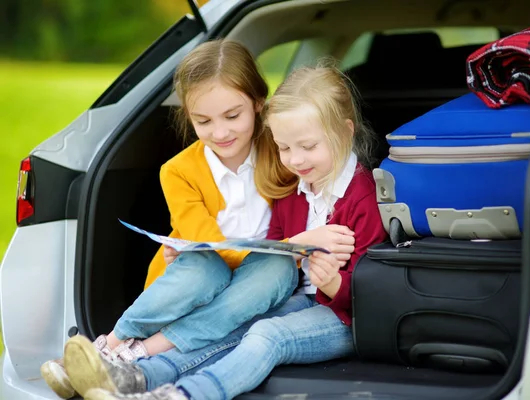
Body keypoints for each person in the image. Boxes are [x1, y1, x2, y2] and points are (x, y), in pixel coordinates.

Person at [41, 41, 356, 400]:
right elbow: (209, 244)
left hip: (260, 284)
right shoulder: (178, 171)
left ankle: (140, 355)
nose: (220, 133)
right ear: (187, 116)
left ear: (258, 104)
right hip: (201, 280)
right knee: (209, 266)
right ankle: (109, 345)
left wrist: (289, 250)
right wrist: (290, 245)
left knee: (276, 269)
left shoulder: (284, 153)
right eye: (203, 121)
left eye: (232, 116)